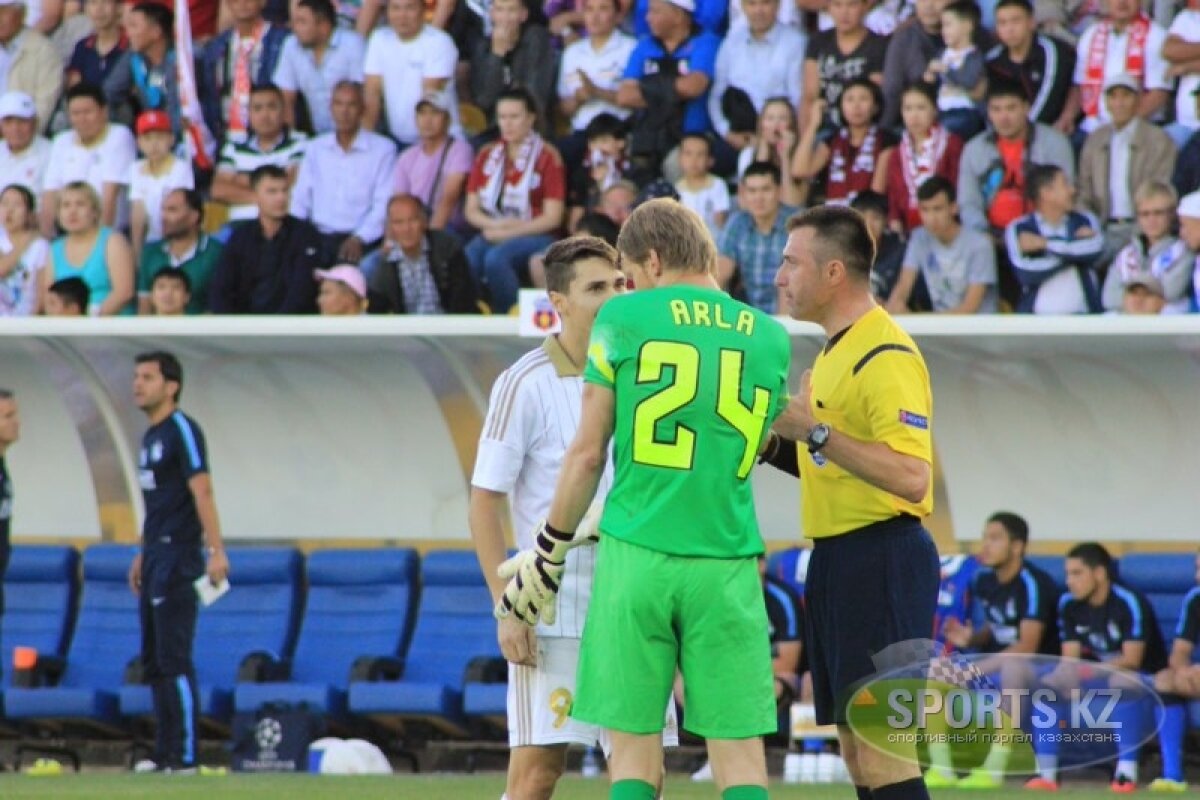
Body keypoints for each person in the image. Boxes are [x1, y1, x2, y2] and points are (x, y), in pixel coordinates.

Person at [498, 201, 790, 800]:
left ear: (653, 260)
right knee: (740, 762)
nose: (625, 286)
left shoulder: (624, 319)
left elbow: (586, 454)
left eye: (628, 272)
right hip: (727, 560)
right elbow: (757, 441)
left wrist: (549, 548)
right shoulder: (769, 336)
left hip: (636, 558)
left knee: (631, 758)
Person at [471, 236, 663, 800]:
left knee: (643, 775)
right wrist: (508, 608)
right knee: (536, 775)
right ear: (560, 301)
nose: (614, 296)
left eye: (620, 283)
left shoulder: (647, 374)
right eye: (596, 288)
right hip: (555, 605)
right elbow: (484, 501)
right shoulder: (523, 383)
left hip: (634, 595)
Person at [767, 204, 940, 800]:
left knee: (884, 749)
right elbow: (826, 463)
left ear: (834, 271)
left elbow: (913, 477)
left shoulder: (885, 354)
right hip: (840, 560)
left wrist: (813, 431)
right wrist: (772, 439)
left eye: (791, 262)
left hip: (883, 557)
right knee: (859, 753)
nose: (779, 275)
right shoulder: (833, 352)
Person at [127, 351, 229, 774]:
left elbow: (201, 491)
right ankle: (164, 751)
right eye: (136, 377)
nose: (138, 384)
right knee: (153, 659)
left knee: (174, 657)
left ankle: (185, 756)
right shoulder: (149, 436)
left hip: (179, 556)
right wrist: (141, 551)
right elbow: (158, 503)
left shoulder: (182, 430)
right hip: (155, 555)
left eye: (147, 377)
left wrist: (216, 550)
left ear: (171, 386)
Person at [928, 511, 1061, 788]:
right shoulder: (984, 580)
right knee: (939, 670)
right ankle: (941, 768)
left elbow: (1027, 646)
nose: (985, 546)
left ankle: (994, 768)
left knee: (1013, 667)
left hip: (1042, 668)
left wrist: (973, 669)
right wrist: (972, 638)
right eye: (984, 538)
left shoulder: (1033, 584)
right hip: (1001, 661)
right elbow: (996, 624)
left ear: (1017, 546)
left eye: (995, 538)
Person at [1031, 542, 1168, 791]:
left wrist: (1085, 672)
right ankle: (1047, 775)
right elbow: (1070, 658)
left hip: (1145, 679)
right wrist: (1064, 676)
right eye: (1067, 574)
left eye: (1077, 573)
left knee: (1121, 681)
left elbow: (1132, 660)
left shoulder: (1129, 601)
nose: (1070, 581)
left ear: (1099, 573)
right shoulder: (1069, 604)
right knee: (1047, 684)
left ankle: (1126, 774)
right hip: (1098, 675)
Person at [463, 87, 566, 314]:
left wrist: (506, 232)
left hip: (537, 233)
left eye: (514, 117)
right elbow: (471, 209)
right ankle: (476, 315)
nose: (507, 124)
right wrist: (495, 226)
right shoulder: (487, 154)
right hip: (494, 227)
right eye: (502, 117)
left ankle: (509, 317)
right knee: (467, 258)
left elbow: (553, 217)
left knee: (495, 259)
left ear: (530, 118)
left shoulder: (547, 156)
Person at [289, 80, 396, 265]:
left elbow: (383, 205)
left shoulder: (383, 149)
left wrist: (360, 238)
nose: (344, 112)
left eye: (351, 105)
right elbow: (300, 199)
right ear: (330, 108)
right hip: (317, 236)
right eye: (338, 104)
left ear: (362, 109)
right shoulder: (315, 148)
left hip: (360, 239)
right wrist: (294, 234)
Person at [1077, 73, 1177, 267]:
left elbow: (1160, 189)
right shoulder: (1095, 140)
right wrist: (1088, 223)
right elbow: (1084, 189)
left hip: (1143, 229)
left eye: (1125, 95)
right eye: (1113, 96)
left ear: (1138, 99)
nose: (1119, 103)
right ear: (1105, 102)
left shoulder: (1158, 140)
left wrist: (1144, 228)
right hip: (1103, 229)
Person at [616, 0, 723, 179]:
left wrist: (648, 85)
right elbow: (625, 96)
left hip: (690, 137)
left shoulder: (705, 42)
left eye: (655, 12)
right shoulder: (645, 45)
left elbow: (694, 87)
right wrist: (674, 88)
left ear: (678, 16)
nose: (648, 18)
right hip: (648, 137)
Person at [957, 80, 1075, 236]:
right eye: (996, 110)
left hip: (1043, 233)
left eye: (1011, 108)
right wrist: (982, 236)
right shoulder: (974, 149)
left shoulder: (1055, 143)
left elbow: (1066, 195)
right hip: (990, 235)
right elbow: (968, 203)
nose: (1003, 117)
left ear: (1026, 108)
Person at [209, 165, 323, 314]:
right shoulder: (240, 237)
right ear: (255, 195)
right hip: (244, 327)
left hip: (290, 328)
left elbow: (302, 291)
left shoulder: (305, 235)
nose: (281, 198)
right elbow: (222, 287)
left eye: (285, 191)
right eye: (272, 192)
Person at [886, 177, 997, 314]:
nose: (931, 218)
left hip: (978, 331)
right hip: (938, 329)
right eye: (925, 210)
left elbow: (970, 307)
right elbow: (903, 286)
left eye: (937, 209)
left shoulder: (979, 244)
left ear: (954, 208)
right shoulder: (919, 238)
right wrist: (896, 304)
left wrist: (920, 322)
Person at [708, 0, 805, 155]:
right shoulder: (731, 43)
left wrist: (770, 137)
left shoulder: (795, 43)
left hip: (780, 136)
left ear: (778, 5)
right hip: (738, 134)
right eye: (751, 4)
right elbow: (716, 96)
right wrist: (727, 133)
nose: (758, 10)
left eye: (766, 3)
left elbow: (798, 99)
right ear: (743, 7)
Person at [1004, 164, 1104, 314]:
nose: (1072, 190)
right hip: (1037, 323)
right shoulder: (1019, 228)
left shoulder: (1085, 220)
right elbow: (1025, 272)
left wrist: (1045, 243)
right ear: (1046, 193)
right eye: (1065, 184)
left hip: (1085, 320)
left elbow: (1096, 248)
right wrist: (1075, 255)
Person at [40, 84, 137, 237]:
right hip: (69, 233)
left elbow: (110, 196)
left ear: (104, 112)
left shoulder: (119, 136)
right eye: (75, 113)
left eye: (87, 112)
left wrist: (101, 244)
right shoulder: (61, 141)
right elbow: (50, 193)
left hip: (111, 233)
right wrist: (46, 240)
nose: (82, 119)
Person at [362, 0, 461, 149]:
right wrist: (364, 143)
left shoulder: (439, 42)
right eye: (395, 8)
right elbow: (372, 96)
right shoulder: (379, 39)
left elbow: (429, 100)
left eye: (410, 8)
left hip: (439, 140)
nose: (402, 15)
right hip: (397, 139)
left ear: (423, 11)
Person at [211, 83, 308, 225]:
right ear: (249, 114)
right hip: (240, 225)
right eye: (257, 108)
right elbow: (218, 190)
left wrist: (241, 179)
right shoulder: (234, 147)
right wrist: (269, 195)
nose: (265, 115)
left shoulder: (299, 143)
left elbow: (289, 184)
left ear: (284, 112)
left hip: (282, 224)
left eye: (272, 107)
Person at [364, 194, 478, 314]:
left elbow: (463, 300)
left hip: (450, 327)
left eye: (412, 220)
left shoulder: (447, 248)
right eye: (398, 223)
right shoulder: (385, 265)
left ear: (424, 222)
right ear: (390, 228)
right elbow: (376, 312)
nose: (406, 229)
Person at [555, 0, 636, 168]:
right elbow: (563, 108)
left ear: (618, 15)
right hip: (581, 134)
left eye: (603, 9)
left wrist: (596, 92)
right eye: (589, 9)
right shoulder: (572, 52)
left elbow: (637, 100)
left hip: (618, 132)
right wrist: (578, 99)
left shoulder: (630, 48)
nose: (595, 17)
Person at [1073, 0, 1171, 136]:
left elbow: (1159, 94)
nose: (1122, 2)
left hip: (1138, 127)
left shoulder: (1156, 36)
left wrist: (1121, 126)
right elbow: (1079, 86)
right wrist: (1066, 118)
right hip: (1091, 126)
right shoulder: (1091, 34)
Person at [196, 0, 289, 144]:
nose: (242, 3)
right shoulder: (217, 46)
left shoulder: (282, 40)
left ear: (263, 2)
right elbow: (210, 94)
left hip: (270, 133)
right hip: (227, 133)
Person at [793, 78, 894, 206]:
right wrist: (813, 125)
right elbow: (800, 170)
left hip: (868, 213)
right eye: (850, 99)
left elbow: (877, 190)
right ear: (841, 107)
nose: (856, 106)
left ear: (875, 107)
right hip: (834, 214)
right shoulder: (832, 141)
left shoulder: (886, 140)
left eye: (863, 99)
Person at [272, 0, 366, 135]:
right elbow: (286, 99)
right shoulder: (291, 45)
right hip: (317, 138)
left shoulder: (352, 45)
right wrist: (291, 141)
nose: (294, 27)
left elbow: (364, 97)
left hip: (354, 135)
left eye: (302, 22)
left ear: (323, 26)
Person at [43, 181, 135, 315]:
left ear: (95, 211)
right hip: (68, 327)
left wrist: (90, 320)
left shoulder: (113, 241)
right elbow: (49, 298)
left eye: (80, 204)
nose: (72, 212)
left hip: (111, 326)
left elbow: (124, 292)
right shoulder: (55, 249)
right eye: (66, 205)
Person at [717, 160, 798, 312]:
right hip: (750, 319)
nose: (758, 198)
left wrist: (783, 330)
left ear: (779, 191)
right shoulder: (737, 222)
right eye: (752, 191)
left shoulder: (796, 223)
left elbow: (792, 283)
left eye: (765, 190)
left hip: (793, 316)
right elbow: (720, 275)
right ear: (743, 193)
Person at [1102, 181, 1194, 313]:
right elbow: (1108, 298)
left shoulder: (1183, 251)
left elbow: (1171, 292)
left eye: (1158, 213)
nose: (1152, 220)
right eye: (1145, 214)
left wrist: (1133, 297)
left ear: (1172, 214)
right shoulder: (1126, 254)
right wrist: (1144, 301)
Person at [985, 0, 1078, 131]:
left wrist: (1023, 131)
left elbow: (1051, 99)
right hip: (1006, 133)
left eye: (1015, 21)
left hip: (1050, 130)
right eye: (1002, 23)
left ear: (1031, 23)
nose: (1009, 29)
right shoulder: (993, 60)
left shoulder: (1052, 51)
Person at [389, 91, 473, 234]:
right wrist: (390, 240)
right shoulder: (407, 156)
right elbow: (399, 202)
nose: (427, 120)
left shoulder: (459, 150)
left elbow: (448, 199)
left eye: (435, 113)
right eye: (422, 113)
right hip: (412, 227)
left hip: (446, 226)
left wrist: (428, 240)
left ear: (447, 119)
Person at [885, 82, 964, 236]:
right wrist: (895, 221)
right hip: (907, 230)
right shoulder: (897, 153)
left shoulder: (951, 144)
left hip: (945, 226)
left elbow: (957, 186)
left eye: (921, 108)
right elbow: (893, 196)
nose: (914, 115)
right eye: (908, 108)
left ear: (934, 110)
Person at [1150, 550, 1200, 792]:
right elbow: (1179, 652)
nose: (1199, 577)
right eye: (1198, 570)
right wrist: (1184, 673)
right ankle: (1172, 775)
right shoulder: (1195, 598)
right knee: (1164, 680)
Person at [468, 0, 554, 135]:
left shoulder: (536, 39)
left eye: (511, 11)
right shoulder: (483, 46)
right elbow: (484, 100)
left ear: (523, 15)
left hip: (531, 125)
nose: (505, 18)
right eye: (500, 10)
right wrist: (497, 56)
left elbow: (536, 95)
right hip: (496, 126)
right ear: (492, 14)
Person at [802, 0, 887, 130]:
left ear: (865, 7)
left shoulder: (878, 45)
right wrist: (806, 136)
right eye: (837, 5)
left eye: (852, 5)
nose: (844, 12)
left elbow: (873, 98)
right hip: (824, 127)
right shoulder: (818, 41)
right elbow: (810, 96)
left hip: (861, 128)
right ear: (828, 8)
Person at [138, 189, 221, 315]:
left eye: (172, 210)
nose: (163, 217)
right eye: (163, 210)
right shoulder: (150, 252)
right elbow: (144, 305)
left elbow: (219, 305)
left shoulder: (216, 253)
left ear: (194, 216)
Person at [103, 2, 181, 133]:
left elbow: (177, 112)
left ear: (156, 31)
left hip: (178, 139)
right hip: (148, 135)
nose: (128, 34)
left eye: (134, 26)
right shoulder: (133, 56)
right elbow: (108, 93)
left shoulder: (181, 61)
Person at [128, 110, 194, 264]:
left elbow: (180, 208)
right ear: (139, 143)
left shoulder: (180, 167)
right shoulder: (136, 169)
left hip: (174, 237)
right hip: (150, 241)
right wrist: (136, 254)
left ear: (171, 139)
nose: (154, 145)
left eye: (160, 137)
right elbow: (138, 212)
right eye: (148, 139)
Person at [924, 0, 986, 140]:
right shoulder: (942, 54)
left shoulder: (973, 56)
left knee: (943, 133)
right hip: (942, 111)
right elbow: (933, 83)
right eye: (942, 26)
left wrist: (946, 70)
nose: (943, 31)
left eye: (948, 25)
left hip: (965, 112)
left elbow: (968, 81)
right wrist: (930, 76)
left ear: (967, 26)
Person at [880, 0, 946, 131]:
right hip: (911, 123)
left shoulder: (976, 36)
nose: (929, 5)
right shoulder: (904, 38)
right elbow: (892, 89)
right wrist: (884, 132)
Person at [0, 0, 63, 129]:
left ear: (23, 14)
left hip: (22, 138)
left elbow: (44, 107)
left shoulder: (44, 52)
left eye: (3, 12)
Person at [735, 97, 801, 206]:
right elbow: (745, 204)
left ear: (792, 124)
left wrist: (785, 157)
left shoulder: (800, 153)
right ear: (761, 124)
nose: (776, 124)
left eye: (782, 118)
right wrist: (763, 148)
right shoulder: (748, 154)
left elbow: (792, 204)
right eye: (770, 118)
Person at [0, 184, 48, 316]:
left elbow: (42, 291)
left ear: (30, 213)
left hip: (26, 322)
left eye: (17, 205)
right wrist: (25, 242)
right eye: (4, 204)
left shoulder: (40, 246)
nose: (9, 210)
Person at [674, 133, 729, 235]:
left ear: (710, 160)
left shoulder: (717, 185)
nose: (694, 160)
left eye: (700, 154)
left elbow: (720, 222)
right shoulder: (676, 189)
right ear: (679, 158)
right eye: (688, 153)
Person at [67, 0, 128, 89]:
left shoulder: (131, 47)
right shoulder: (82, 47)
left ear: (119, 8)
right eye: (93, 2)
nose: (99, 9)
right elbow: (74, 88)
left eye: (106, 2)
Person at [0, 91, 50, 195]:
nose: (15, 128)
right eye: (8, 121)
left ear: (35, 123)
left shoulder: (51, 153)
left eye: (22, 121)